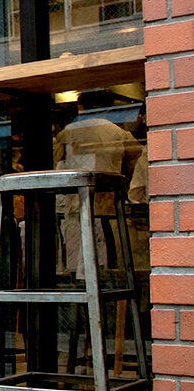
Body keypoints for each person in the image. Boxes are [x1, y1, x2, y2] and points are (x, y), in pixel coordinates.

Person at [53, 92, 144, 277]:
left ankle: (80, 297)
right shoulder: (119, 134)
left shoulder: (67, 132)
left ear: (81, 107)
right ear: (110, 108)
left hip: (75, 207)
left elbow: (54, 164)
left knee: (75, 264)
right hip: (109, 209)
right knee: (109, 266)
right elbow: (137, 163)